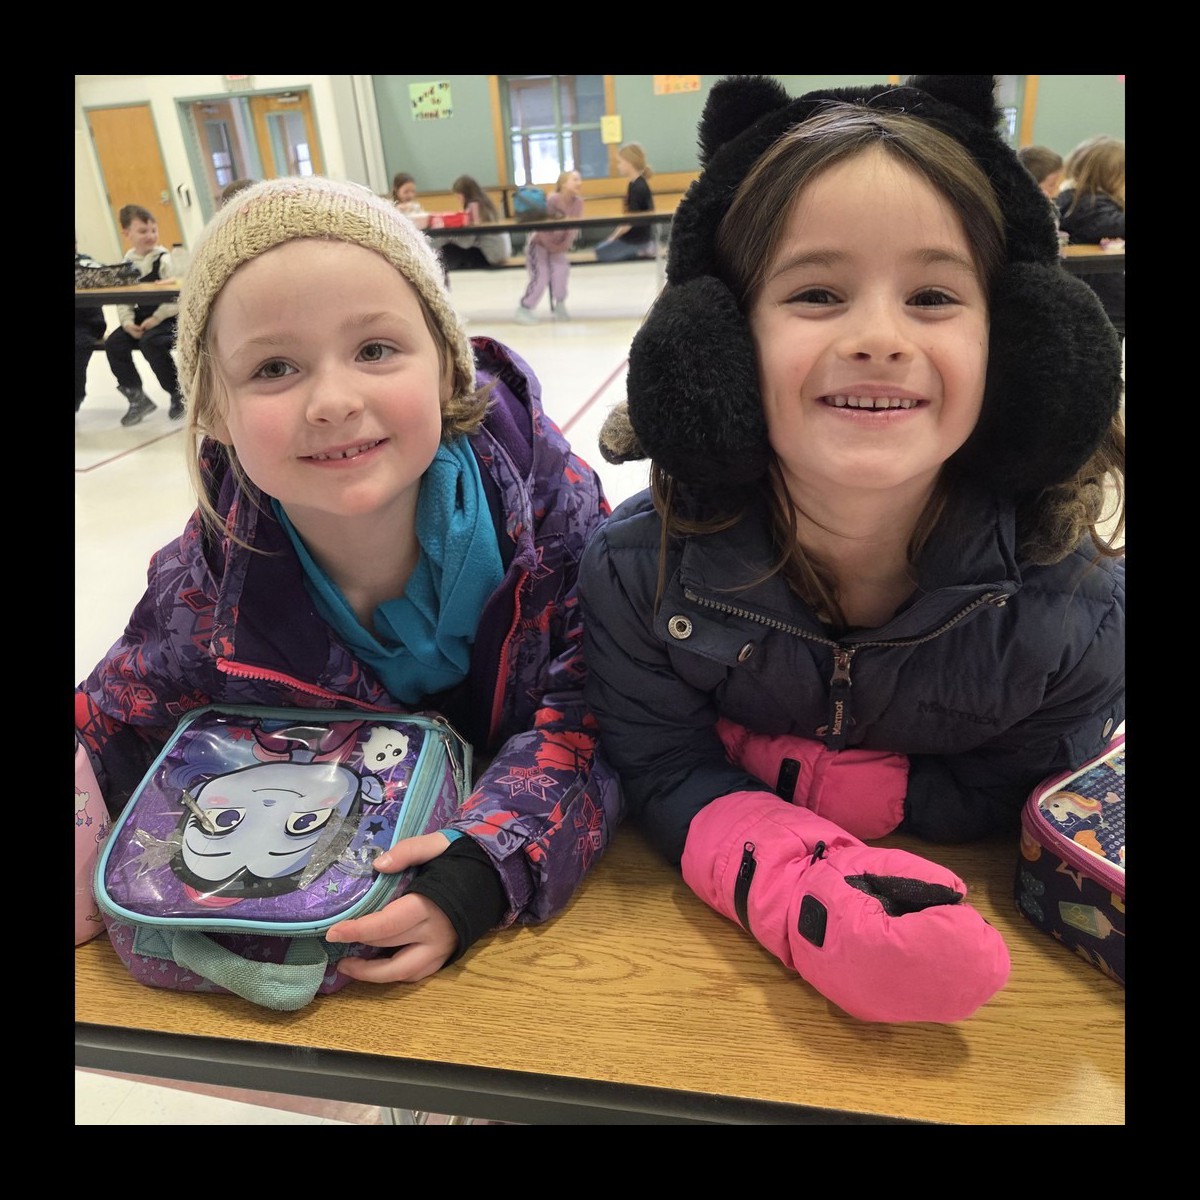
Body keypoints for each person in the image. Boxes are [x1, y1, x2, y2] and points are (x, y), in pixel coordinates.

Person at [579, 75, 1125, 1025]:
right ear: (717, 345)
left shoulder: (1076, 613)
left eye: (932, 295)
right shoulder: (639, 572)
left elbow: (1015, 791)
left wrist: (814, 779)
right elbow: (661, 764)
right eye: (818, 292)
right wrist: (801, 878)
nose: (879, 337)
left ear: (1019, 343)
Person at [75, 176, 624, 984]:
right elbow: (118, 713)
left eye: (374, 350)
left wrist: (482, 870)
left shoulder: (558, 518)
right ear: (217, 414)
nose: (333, 400)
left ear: (446, 366)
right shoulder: (210, 577)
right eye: (274, 367)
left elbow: (598, 718)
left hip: (525, 927)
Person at [104, 204, 184, 425]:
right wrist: (128, 323)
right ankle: (137, 397)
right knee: (114, 343)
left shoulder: (165, 259)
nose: (150, 236)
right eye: (142, 231)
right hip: (142, 318)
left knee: (152, 342)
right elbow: (124, 299)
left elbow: (178, 297)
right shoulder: (126, 264)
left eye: (153, 230)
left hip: (168, 318)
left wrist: (156, 318)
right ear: (127, 233)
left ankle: (177, 394)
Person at [1057, 135, 1125, 338]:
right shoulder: (1084, 203)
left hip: (1106, 298)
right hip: (1100, 298)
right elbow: (1112, 225)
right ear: (1108, 176)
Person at [514, 169, 585, 324]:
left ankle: (559, 305)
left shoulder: (579, 203)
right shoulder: (552, 200)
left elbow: (573, 228)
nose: (579, 183)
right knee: (542, 275)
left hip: (558, 246)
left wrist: (562, 246)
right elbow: (543, 227)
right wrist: (551, 246)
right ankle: (524, 308)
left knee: (561, 270)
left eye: (580, 179)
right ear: (564, 184)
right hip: (539, 244)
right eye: (575, 179)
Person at [594, 143, 655, 262]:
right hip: (634, 238)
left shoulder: (638, 187)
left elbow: (629, 222)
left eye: (620, 162)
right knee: (600, 249)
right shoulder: (633, 184)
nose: (618, 166)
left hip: (637, 241)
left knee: (600, 253)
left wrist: (612, 238)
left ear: (629, 163)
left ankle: (643, 250)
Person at [439, 174, 513, 270]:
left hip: (492, 257)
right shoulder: (485, 203)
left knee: (448, 249)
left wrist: (450, 237)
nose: (459, 201)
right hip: (503, 253)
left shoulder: (474, 208)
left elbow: (467, 243)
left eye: (458, 197)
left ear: (464, 194)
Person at [75, 238, 110, 413]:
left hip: (88, 322)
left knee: (78, 345)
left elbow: (105, 276)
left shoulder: (86, 263)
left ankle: (76, 395)